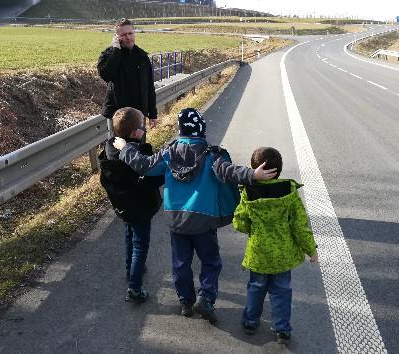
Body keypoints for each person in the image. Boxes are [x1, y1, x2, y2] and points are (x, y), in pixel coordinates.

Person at [112, 108, 277, 323]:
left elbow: (144, 166)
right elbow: (229, 171)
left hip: (176, 220)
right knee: (210, 262)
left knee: (180, 263)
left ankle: (186, 301)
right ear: (201, 131)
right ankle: (206, 297)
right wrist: (252, 175)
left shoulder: (168, 154)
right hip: (203, 220)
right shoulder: (210, 155)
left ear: (180, 131)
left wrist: (125, 149)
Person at [232, 147, 318, 344]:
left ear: (256, 169)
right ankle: (282, 329)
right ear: (279, 170)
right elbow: (300, 226)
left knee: (255, 288)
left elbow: (240, 222)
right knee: (281, 291)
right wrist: (311, 250)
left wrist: (251, 229)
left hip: (259, 254)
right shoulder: (289, 193)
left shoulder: (249, 193)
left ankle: (251, 322)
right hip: (283, 256)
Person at [98, 107, 164, 303]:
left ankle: (131, 268)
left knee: (129, 235)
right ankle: (134, 288)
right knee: (140, 245)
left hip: (123, 206)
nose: (144, 130)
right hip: (140, 208)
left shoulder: (109, 150)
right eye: (142, 127)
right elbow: (153, 178)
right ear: (136, 132)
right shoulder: (139, 154)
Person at [97, 18, 158, 136]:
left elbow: (149, 86)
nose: (128, 37)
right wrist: (116, 51)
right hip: (117, 116)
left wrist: (153, 114)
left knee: (139, 151)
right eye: (123, 35)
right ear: (116, 36)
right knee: (116, 151)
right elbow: (106, 75)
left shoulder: (142, 56)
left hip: (138, 115)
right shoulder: (109, 55)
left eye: (130, 33)